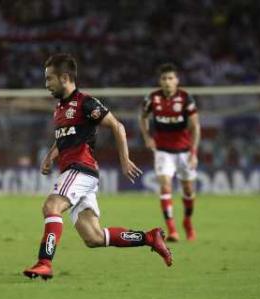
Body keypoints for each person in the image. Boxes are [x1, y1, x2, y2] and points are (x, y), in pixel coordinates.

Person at [23, 53, 173, 280]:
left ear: (65, 77)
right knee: (93, 237)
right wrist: (51, 155)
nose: (46, 85)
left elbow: (117, 126)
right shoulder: (60, 108)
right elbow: (65, 137)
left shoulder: (85, 102)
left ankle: (44, 262)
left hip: (80, 168)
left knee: (51, 207)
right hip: (76, 172)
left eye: (49, 79)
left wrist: (124, 159)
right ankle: (150, 238)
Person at [138, 63, 201, 242]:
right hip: (163, 151)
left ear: (177, 80)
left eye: (171, 78)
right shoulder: (152, 98)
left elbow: (195, 126)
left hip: (184, 150)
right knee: (165, 185)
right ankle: (172, 229)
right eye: (164, 78)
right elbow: (142, 117)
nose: (167, 82)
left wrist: (194, 152)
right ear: (160, 81)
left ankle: (187, 222)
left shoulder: (186, 98)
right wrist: (147, 137)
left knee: (188, 189)